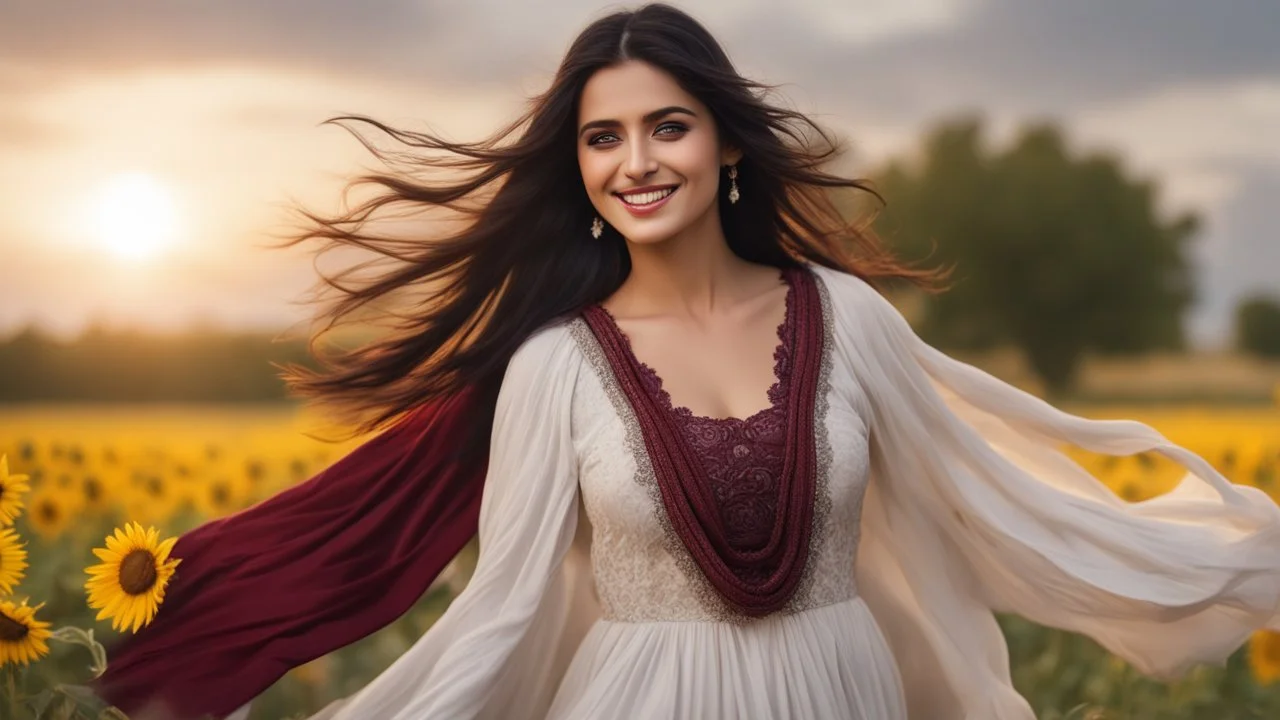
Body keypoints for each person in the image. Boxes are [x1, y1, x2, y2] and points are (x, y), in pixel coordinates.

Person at [92, 4, 1280, 719]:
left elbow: (1001, 508)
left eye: (667, 124)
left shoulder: (846, 320)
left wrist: (1232, 556)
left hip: (840, 692)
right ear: (580, 174)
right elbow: (499, 612)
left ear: (723, 146)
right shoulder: (555, 366)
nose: (635, 160)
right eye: (601, 137)